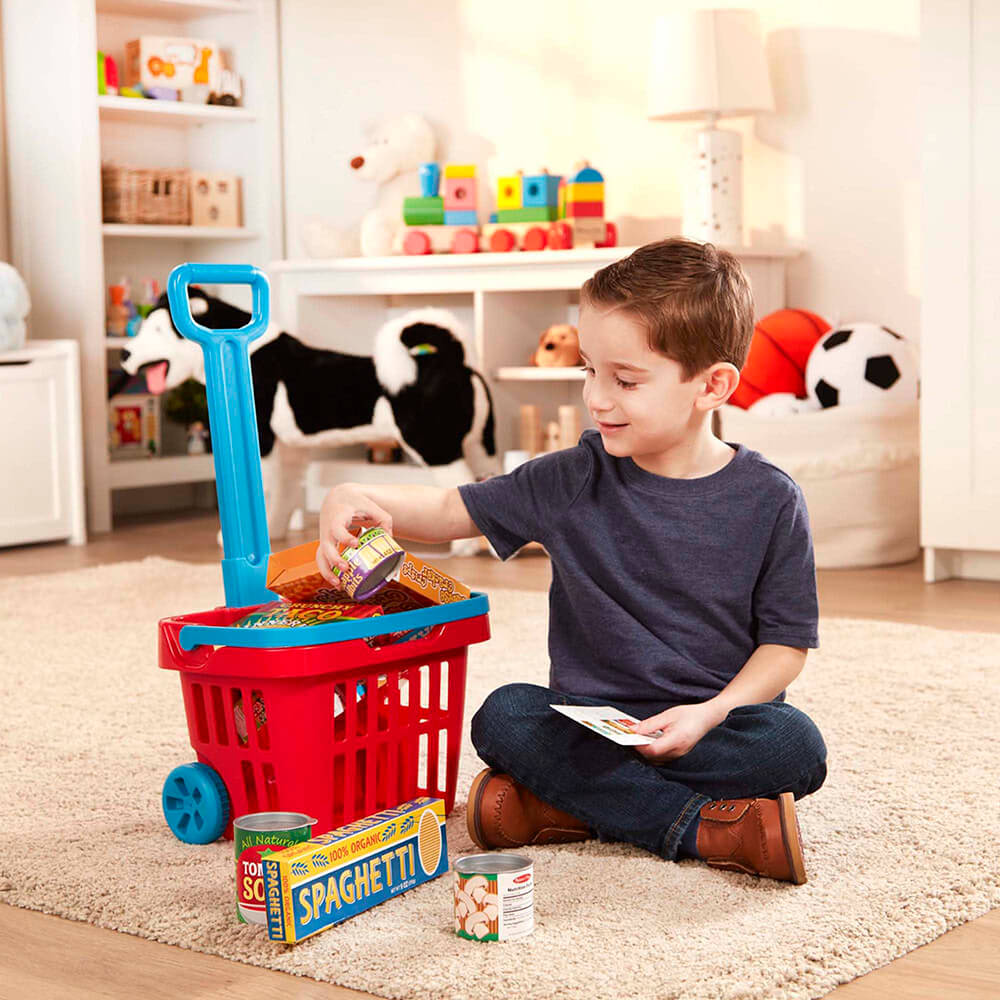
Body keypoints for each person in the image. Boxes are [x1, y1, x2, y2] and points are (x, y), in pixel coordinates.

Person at [317, 238, 828, 885]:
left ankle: (566, 806)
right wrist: (353, 493)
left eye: (625, 380)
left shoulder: (771, 500)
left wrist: (710, 713)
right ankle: (706, 827)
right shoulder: (572, 477)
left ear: (712, 385)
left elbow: (785, 646)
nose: (597, 397)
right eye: (590, 370)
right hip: (591, 726)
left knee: (797, 747)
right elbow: (451, 508)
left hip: (712, 726)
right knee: (504, 716)